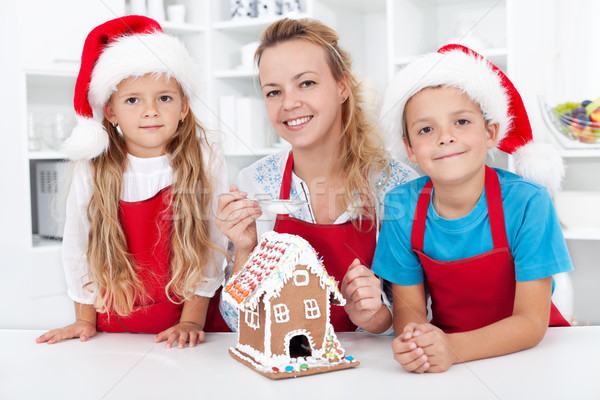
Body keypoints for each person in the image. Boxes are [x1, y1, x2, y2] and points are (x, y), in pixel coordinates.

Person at [373, 44, 573, 373]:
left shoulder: (528, 203)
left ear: (491, 132)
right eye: (426, 129)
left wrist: (452, 348)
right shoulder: (401, 206)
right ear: (409, 148)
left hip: (536, 357)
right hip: (449, 357)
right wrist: (417, 342)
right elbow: (409, 310)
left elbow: (531, 322)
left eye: (462, 121)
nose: (445, 137)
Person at [36, 16, 229, 348]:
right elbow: (77, 245)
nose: (150, 111)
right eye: (133, 100)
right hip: (114, 326)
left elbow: (214, 244)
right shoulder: (94, 165)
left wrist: (191, 320)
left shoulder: (206, 158)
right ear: (110, 112)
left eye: (164, 98)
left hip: (191, 325)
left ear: (184, 106)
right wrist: (84, 318)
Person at [216, 18, 417, 334]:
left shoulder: (396, 185)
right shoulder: (254, 182)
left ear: (342, 87)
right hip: (286, 368)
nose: (289, 103)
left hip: (372, 371)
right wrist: (244, 250)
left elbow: (419, 316)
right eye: (273, 92)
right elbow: (237, 321)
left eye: (306, 83)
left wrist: (374, 317)